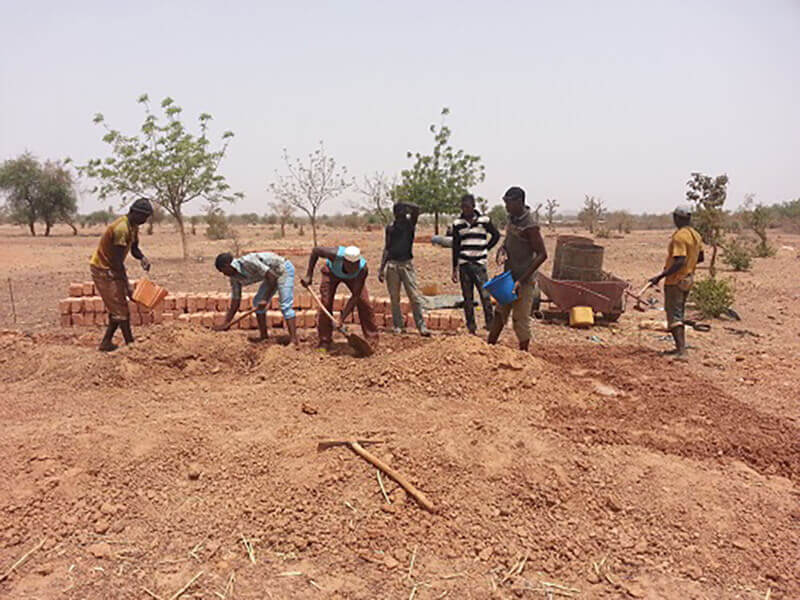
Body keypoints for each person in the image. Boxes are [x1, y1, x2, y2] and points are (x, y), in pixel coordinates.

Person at [487, 187, 547, 351]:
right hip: (509, 277)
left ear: (519, 202)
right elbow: (509, 239)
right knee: (499, 313)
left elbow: (542, 254)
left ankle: (524, 356)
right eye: (505, 202)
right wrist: (503, 248)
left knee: (520, 321)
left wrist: (521, 280)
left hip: (524, 281)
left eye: (509, 203)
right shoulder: (512, 218)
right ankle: (488, 349)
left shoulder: (530, 226)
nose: (506, 206)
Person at [89, 198, 153, 352]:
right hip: (103, 269)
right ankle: (130, 345)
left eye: (146, 217)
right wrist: (127, 285)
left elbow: (134, 248)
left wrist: (142, 258)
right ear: (134, 212)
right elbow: (117, 262)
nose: (144, 221)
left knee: (117, 307)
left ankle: (106, 343)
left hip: (112, 268)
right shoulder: (121, 229)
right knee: (121, 310)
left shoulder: (133, 226)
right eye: (143, 216)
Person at [648, 205, 704, 359]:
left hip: (676, 280)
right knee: (679, 312)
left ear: (677, 218)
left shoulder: (679, 237)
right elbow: (700, 257)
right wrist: (689, 266)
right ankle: (680, 348)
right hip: (688, 278)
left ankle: (681, 351)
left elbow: (679, 260)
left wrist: (660, 276)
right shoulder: (696, 235)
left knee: (674, 315)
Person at [301, 245, 379, 351]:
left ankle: (371, 340)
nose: (353, 269)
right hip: (331, 273)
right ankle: (324, 341)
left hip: (354, 279)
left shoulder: (362, 269)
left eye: (355, 266)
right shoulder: (334, 254)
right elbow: (315, 251)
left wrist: (342, 318)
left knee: (364, 302)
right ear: (344, 261)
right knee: (326, 303)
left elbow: (355, 296)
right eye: (351, 266)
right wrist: (309, 275)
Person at [214, 251, 299, 346]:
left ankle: (294, 340)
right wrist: (226, 323)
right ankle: (264, 337)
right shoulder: (234, 279)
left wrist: (265, 299)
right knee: (257, 302)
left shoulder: (248, 262)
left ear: (227, 266)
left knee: (285, 305)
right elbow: (235, 301)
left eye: (222, 271)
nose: (224, 274)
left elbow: (272, 277)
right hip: (271, 276)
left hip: (283, 269)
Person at [378, 202, 431, 336]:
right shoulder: (390, 227)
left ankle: (421, 326)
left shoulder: (410, 224)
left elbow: (417, 208)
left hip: (407, 264)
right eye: (398, 212)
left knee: (414, 296)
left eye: (402, 212)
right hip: (392, 265)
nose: (400, 215)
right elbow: (387, 248)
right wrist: (381, 268)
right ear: (394, 213)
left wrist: (404, 203)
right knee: (394, 298)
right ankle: (398, 326)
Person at [451, 194, 501, 334]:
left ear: (473, 206)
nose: (465, 209)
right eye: (463, 207)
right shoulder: (458, 223)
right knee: (468, 298)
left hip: (479, 264)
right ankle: (471, 327)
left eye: (467, 207)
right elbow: (455, 246)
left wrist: (486, 248)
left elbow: (496, 235)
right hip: (464, 264)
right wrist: (454, 268)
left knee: (485, 296)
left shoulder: (484, 221)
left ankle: (490, 325)